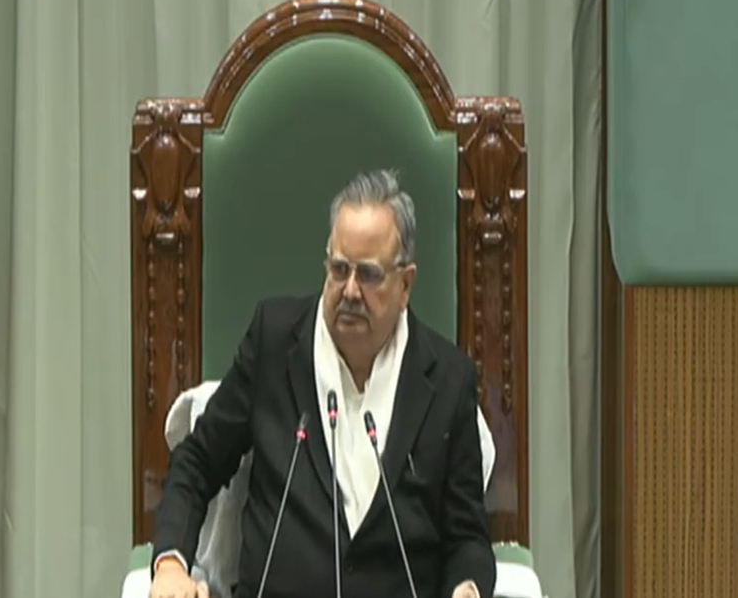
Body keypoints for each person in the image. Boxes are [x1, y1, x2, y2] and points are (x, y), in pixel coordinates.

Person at [150, 169, 495, 598]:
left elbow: (467, 536)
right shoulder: (274, 343)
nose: (349, 291)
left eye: (368, 274)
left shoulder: (447, 380)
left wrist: (467, 588)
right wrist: (170, 565)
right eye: (339, 269)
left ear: (406, 283)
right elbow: (197, 462)